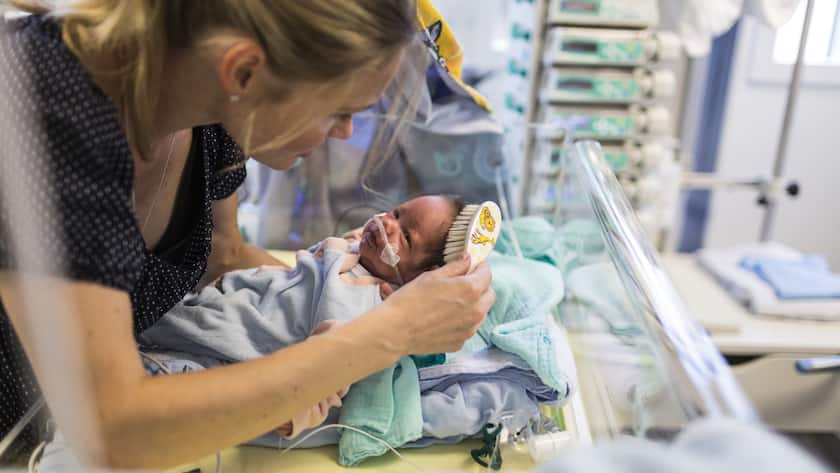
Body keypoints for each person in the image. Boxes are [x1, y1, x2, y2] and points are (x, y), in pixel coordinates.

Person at [0, 1, 494, 469]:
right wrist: (390, 332)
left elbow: (223, 253)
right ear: (243, 72)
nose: (345, 133)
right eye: (339, 110)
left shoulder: (208, 117)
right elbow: (112, 429)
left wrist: (351, 290)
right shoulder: (48, 110)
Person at [139, 195, 468, 440]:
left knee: (157, 376)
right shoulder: (359, 251)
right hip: (220, 304)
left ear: (419, 279)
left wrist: (294, 412)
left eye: (406, 237)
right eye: (396, 212)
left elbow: (332, 369)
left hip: (226, 348)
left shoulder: (360, 305)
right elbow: (360, 240)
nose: (387, 225)